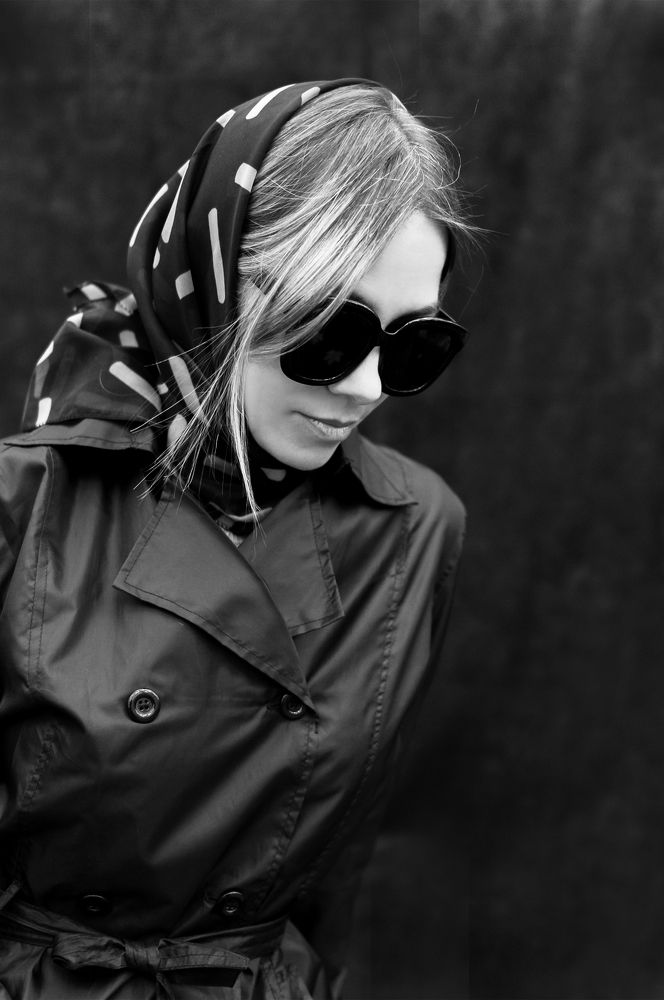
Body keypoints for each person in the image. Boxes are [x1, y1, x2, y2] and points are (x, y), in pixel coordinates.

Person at [0, 78, 471, 999]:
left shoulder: (417, 528)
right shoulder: (25, 503)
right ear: (217, 280)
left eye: (414, 345)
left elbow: (335, 881)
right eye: (328, 332)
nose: (367, 387)